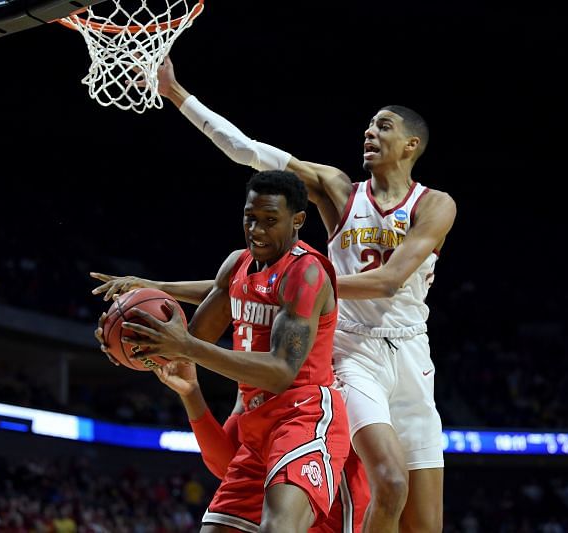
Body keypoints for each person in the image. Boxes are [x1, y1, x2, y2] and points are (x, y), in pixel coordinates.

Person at [148, 56, 456, 533]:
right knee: (390, 483)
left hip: (414, 353)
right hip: (352, 350)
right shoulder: (338, 191)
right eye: (369, 125)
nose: (370, 132)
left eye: (384, 126)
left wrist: (302, 283)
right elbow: (246, 150)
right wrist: (176, 94)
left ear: (411, 145)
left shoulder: (434, 204)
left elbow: (389, 281)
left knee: (424, 525)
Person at [95, 171, 353, 533]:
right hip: (256, 420)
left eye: (269, 221)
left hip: (304, 414)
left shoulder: (305, 273)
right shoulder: (237, 265)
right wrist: (133, 344)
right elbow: (192, 336)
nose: (257, 230)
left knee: (279, 528)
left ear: (297, 221)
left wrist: (186, 346)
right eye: (250, 218)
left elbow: (281, 371)